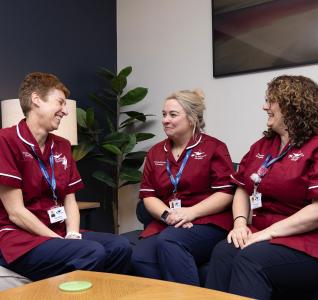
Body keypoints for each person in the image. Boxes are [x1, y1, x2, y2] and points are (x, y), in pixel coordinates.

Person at [205, 75, 318, 299]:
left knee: (251, 259)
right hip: (269, 233)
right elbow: (241, 187)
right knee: (224, 251)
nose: (265, 106)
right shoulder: (264, 145)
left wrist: (265, 235)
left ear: (292, 105)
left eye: (271, 100)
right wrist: (239, 224)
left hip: (316, 240)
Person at [0, 72, 132, 281]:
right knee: (91, 252)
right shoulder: (6, 140)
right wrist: (61, 242)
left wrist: (72, 235)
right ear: (36, 100)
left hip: (58, 232)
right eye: (60, 102)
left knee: (120, 246)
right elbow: (16, 212)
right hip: (20, 239)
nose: (65, 111)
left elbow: (70, 200)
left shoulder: (61, 145)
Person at [130, 89, 235, 286]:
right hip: (170, 221)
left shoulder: (214, 148)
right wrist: (168, 215)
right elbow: (148, 196)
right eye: (164, 114)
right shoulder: (155, 152)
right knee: (138, 256)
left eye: (173, 115)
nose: (165, 120)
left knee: (170, 241)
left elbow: (226, 192)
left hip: (207, 221)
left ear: (192, 118)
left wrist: (191, 213)